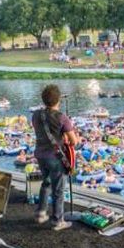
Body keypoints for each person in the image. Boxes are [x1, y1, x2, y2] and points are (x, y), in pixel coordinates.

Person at [31, 84, 79, 230]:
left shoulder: (36, 114)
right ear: (58, 100)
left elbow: (42, 131)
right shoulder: (62, 118)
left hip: (40, 154)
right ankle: (58, 220)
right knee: (58, 188)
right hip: (55, 157)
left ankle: (41, 213)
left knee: (45, 183)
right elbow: (73, 141)